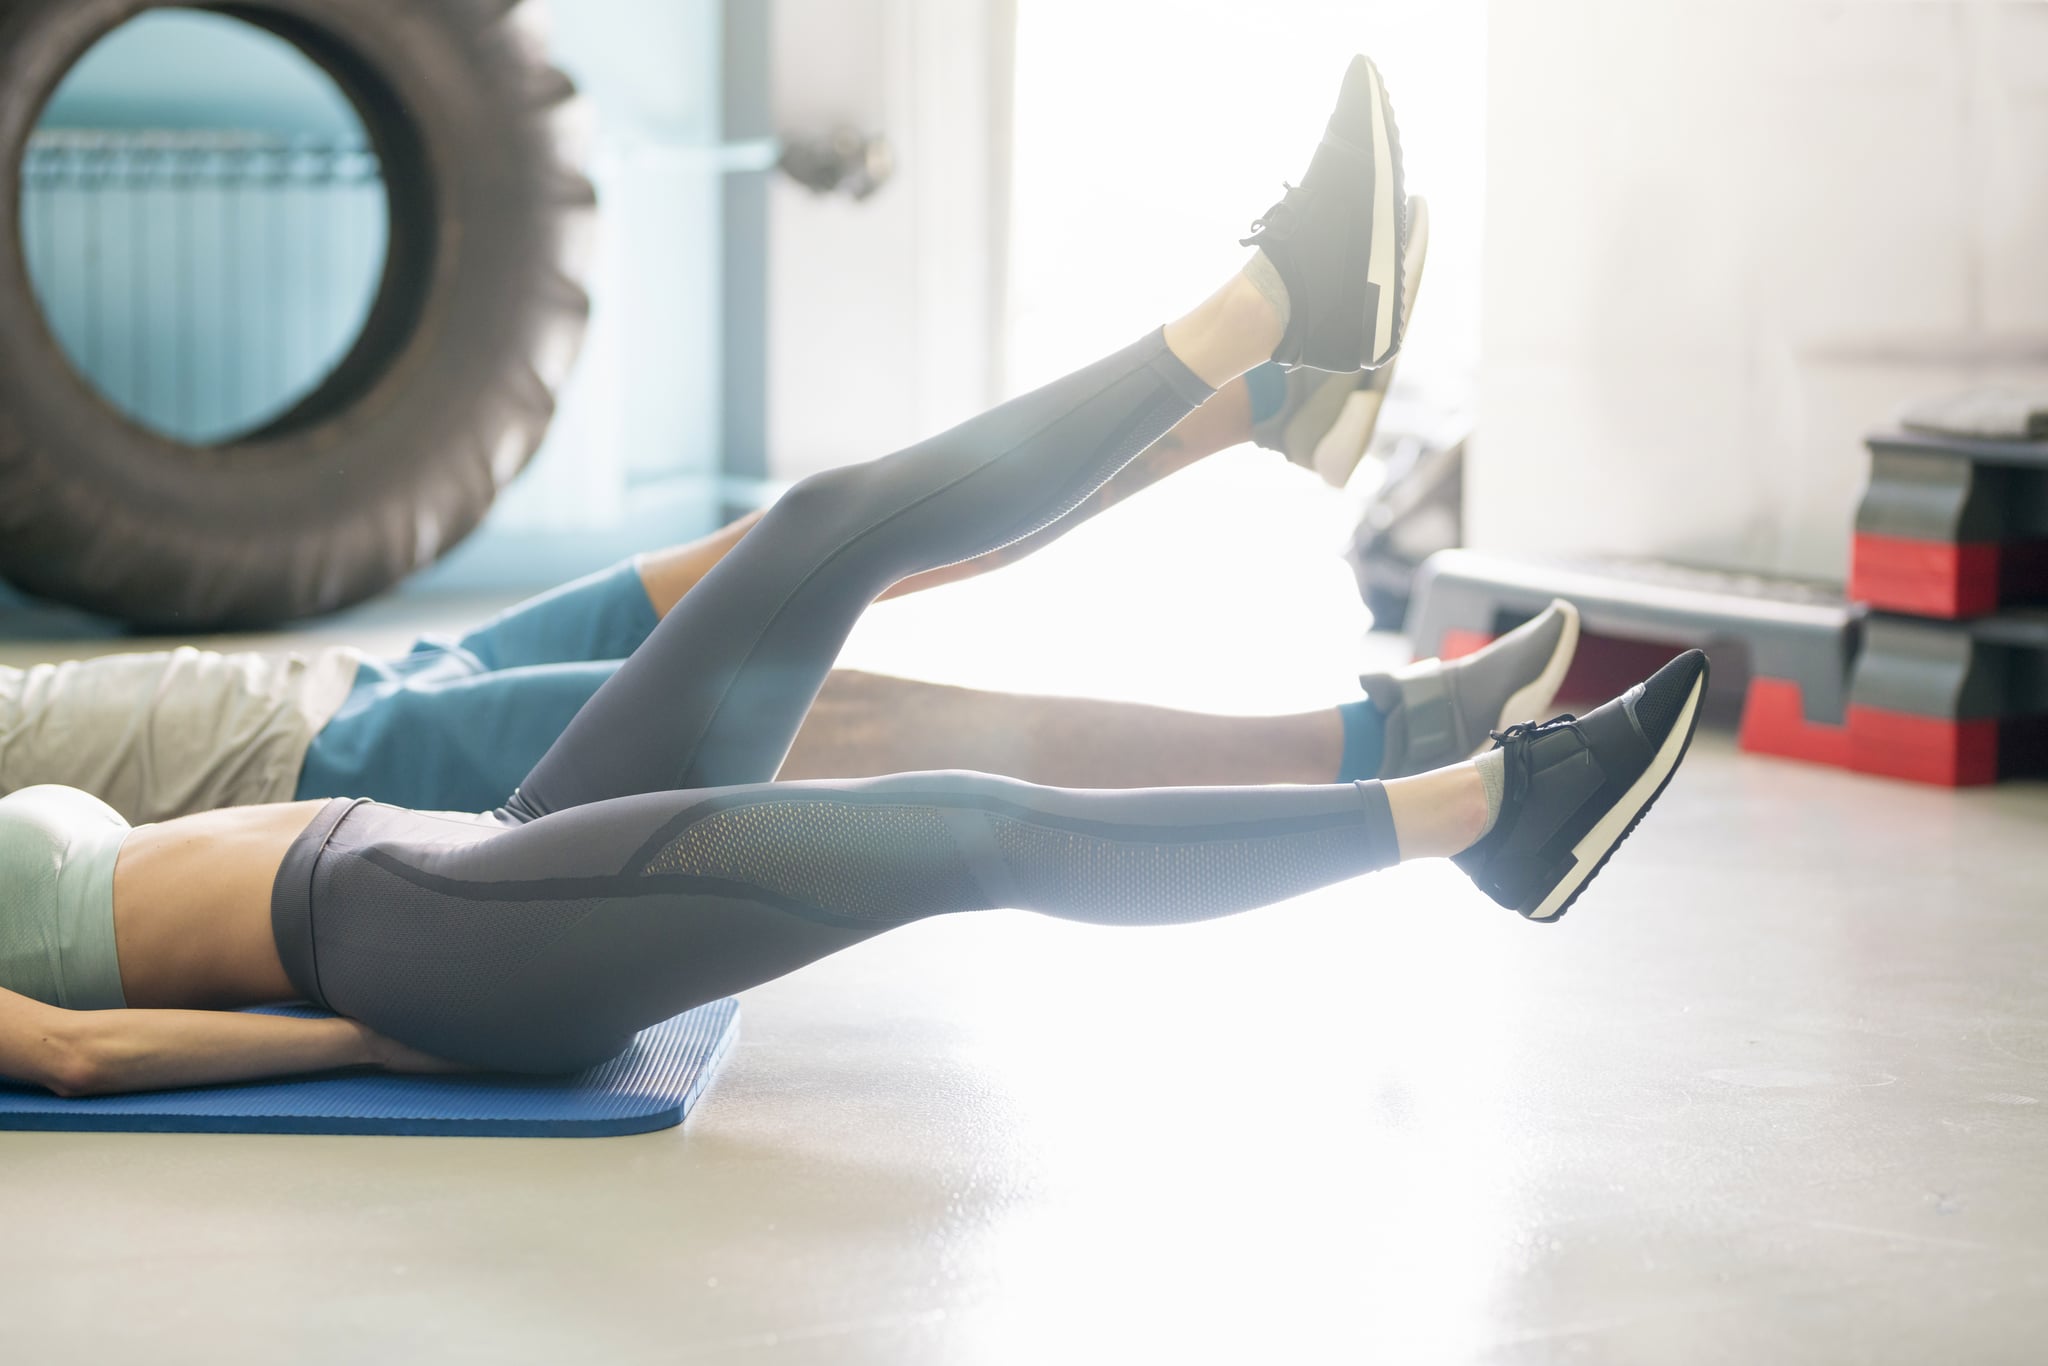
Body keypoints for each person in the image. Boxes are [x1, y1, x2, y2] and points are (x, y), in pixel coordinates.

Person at [0, 55, 1708, 1099]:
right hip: (419, 939)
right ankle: (1483, 819)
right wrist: (381, 1043)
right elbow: (76, 1055)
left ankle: (1270, 316)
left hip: (473, 840)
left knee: (815, 528)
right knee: (956, 823)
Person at [0, 199, 1445, 822]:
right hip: (334, 774)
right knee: (852, 685)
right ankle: (1364, 745)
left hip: (334, 688)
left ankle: (1283, 400)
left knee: (779, 556)